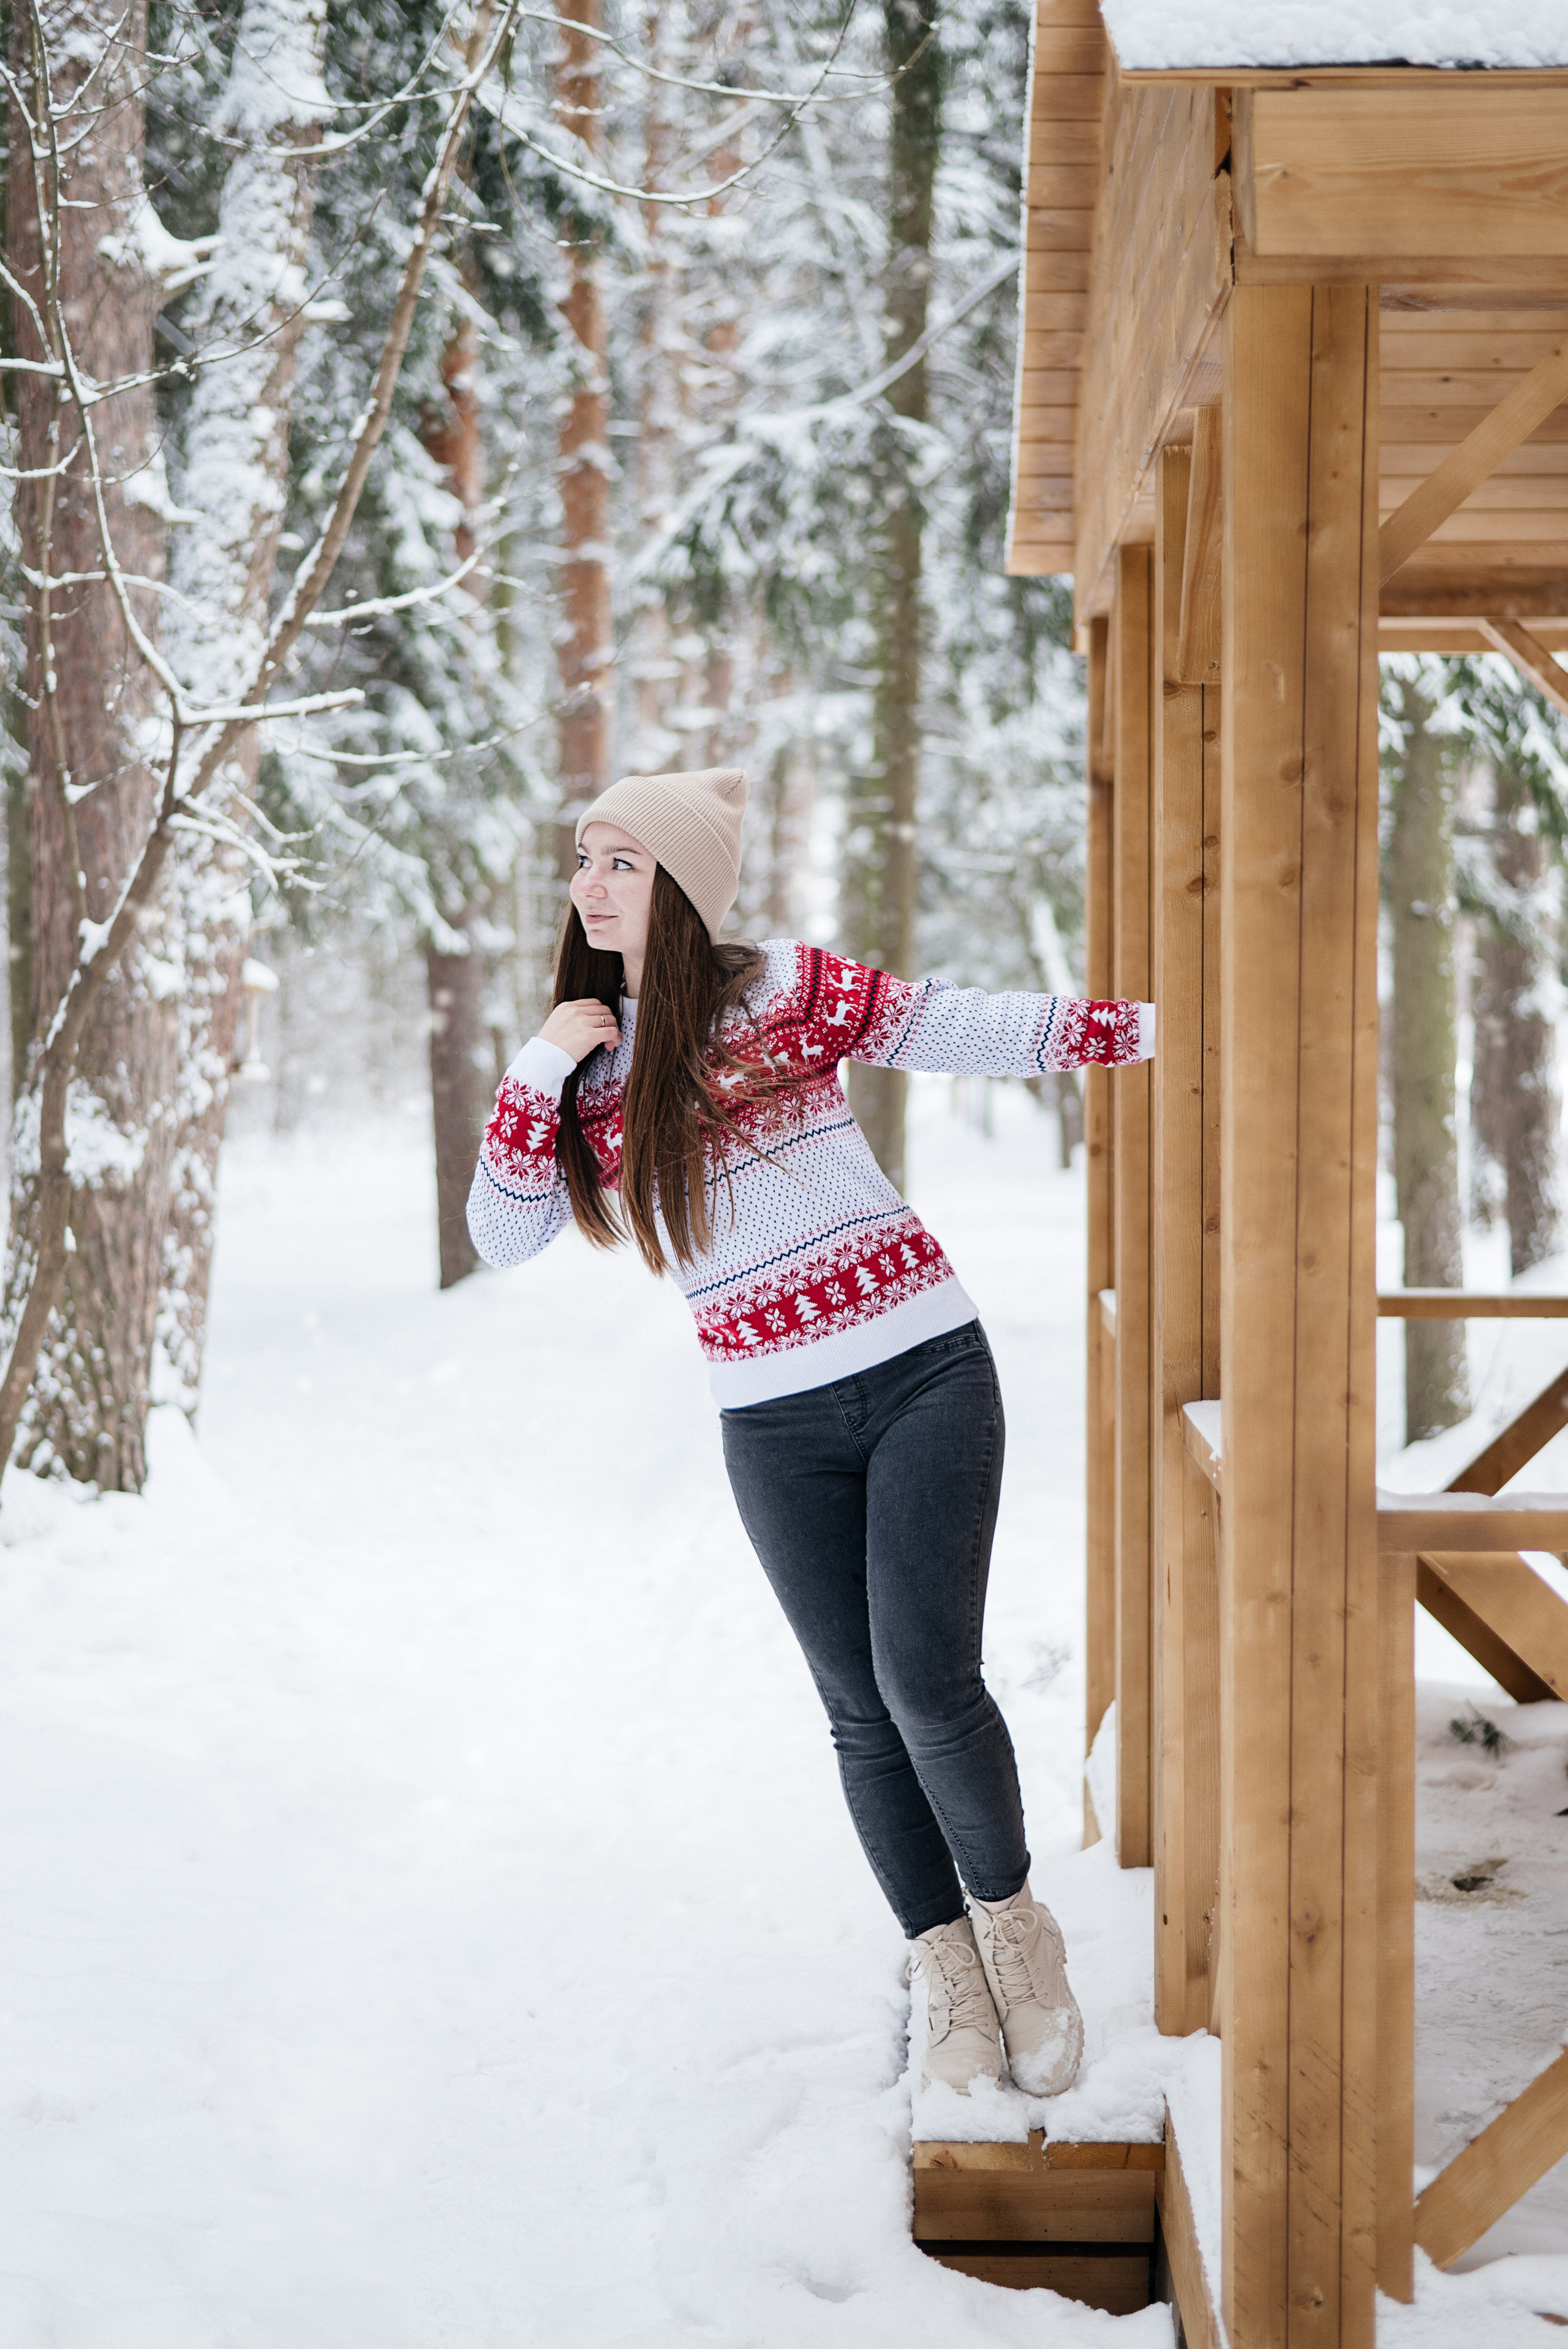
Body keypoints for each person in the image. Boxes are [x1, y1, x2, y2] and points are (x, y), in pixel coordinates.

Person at [467, 765, 1154, 2097]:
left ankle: (1020, 1940)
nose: (588, 884)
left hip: (923, 1372)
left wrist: (1146, 1031)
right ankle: (944, 1966)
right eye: (583, 859)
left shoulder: (783, 990)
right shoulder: (589, 1069)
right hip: (771, 1423)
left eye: (619, 861)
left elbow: (959, 1025)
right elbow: (503, 1230)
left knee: (925, 1683)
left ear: (681, 883)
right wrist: (545, 1055)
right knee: (857, 1710)